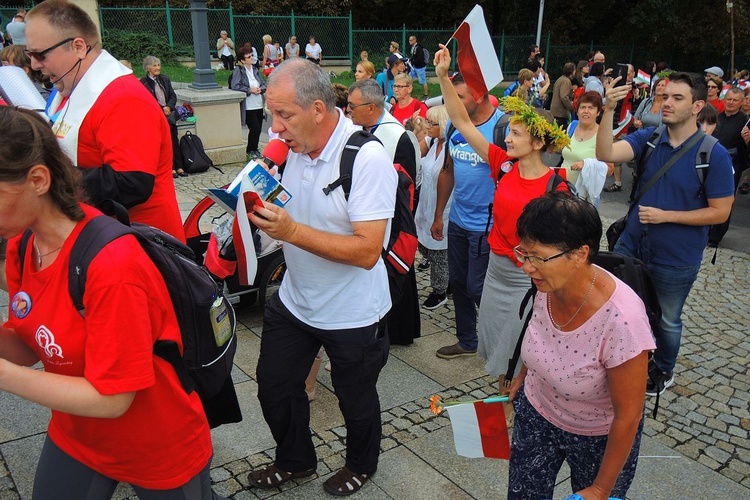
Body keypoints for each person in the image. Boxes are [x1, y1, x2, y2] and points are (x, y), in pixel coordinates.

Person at [0, 105, 223, 499]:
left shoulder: (112, 265)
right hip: (78, 435)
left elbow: (113, 399)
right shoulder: (24, 244)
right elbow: (27, 343)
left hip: (157, 445)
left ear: (37, 179)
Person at [245, 58, 396, 497]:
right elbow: (286, 205)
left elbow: (369, 251)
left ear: (317, 108)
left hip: (353, 312)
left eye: (284, 115)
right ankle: (295, 460)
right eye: (271, 114)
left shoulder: (365, 158)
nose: (274, 128)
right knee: (274, 388)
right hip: (296, 301)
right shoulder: (289, 150)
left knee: (356, 399)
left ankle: (361, 464)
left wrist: (291, 231)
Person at [434, 44, 571, 388]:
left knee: (522, 346)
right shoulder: (503, 165)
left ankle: (519, 400)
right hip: (496, 271)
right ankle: (505, 395)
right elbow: (462, 121)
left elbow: (567, 246)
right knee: (498, 342)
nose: (507, 137)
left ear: (538, 143)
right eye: (509, 131)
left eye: (517, 134)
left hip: (528, 278)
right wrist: (441, 77)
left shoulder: (555, 185)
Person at [507, 192, 655, 500]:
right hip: (537, 413)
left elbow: (629, 415)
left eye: (537, 257)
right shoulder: (547, 283)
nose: (526, 267)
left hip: (597, 437)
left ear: (579, 254)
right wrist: (524, 375)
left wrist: (601, 489)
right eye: (524, 253)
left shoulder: (623, 321)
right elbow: (539, 334)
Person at [597, 72, 734, 396]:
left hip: (676, 258)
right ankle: (620, 360)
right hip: (632, 245)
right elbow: (605, 154)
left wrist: (666, 216)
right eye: (665, 96)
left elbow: (721, 212)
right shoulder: (649, 138)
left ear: (698, 105)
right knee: (620, 308)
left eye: (677, 98)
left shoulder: (712, 154)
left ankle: (663, 370)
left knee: (668, 318)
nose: (667, 103)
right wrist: (607, 111)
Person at [25, 0, 184, 241]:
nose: (34, 64)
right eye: (30, 54)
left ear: (79, 47)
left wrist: (49, 181)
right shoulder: (68, 91)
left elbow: (131, 182)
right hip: (105, 238)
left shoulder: (123, 97)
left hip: (138, 245)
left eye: (40, 54)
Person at [431, 48, 504, 359]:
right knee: (458, 283)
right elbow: (448, 170)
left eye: (460, 98)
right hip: (459, 221)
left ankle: (498, 342)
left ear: (480, 95)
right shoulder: (454, 128)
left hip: (489, 226)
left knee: (479, 288)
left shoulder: (503, 129)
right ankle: (467, 341)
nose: (454, 104)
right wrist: (438, 215)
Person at [347, 78, 421, 346]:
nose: (348, 111)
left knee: (396, 270)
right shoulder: (363, 129)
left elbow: (407, 184)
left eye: (352, 106)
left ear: (370, 107)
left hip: (392, 217)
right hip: (369, 213)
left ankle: (399, 332)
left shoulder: (397, 135)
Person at [414, 105, 451, 309]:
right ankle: (448, 280)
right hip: (426, 203)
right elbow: (415, 151)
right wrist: (420, 129)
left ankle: (440, 290)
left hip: (443, 206)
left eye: (431, 122)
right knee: (424, 245)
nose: (427, 125)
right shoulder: (432, 141)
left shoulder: (450, 147)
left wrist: (438, 214)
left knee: (439, 252)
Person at [708, 87, 750, 246]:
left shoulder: (745, 121)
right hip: (711, 160)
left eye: (735, 100)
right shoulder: (717, 117)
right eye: (728, 99)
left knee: (724, 199)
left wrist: (748, 141)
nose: (731, 103)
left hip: (731, 164)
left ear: (741, 102)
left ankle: (716, 236)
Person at [140, 55, 186, 178]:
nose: (157, 68)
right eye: (154, 65)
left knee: (173, 140)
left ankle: (179, 166)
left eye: (158, 65)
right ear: (147, 68)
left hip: (169, 114)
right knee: (163, 143)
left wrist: (169, 107)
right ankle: (170, 168)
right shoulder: (143, 83)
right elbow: (147, 100)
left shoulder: (164, 79)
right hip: (156, 116)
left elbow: (172, 95)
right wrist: (161, 109)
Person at [230, 47, 266, 161]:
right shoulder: (239, 71)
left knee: (259, 128)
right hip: (248, 105)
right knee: (254, 128)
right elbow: (235, 86)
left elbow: (264, 83)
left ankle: (254, 148)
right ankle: (250, 149)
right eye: (249, 57)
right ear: (243, 60)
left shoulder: (255, 70)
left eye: (251, 55)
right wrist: (250, 90)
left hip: (258, 103)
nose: (252, 58)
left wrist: (261, 89)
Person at [562, 91, 604, 185]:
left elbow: (610, 169)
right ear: (577, 111)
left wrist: (587, 164)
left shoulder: (602, 134)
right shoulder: (572, 126)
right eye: (583, 107)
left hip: (585, 192)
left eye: (591, 108)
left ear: (598, 112)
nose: (586, 111)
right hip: (563, 188)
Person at [551, 62, 576, 128]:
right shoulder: (566, 81)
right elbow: (564, 96)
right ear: (572, 71)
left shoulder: (560, 79)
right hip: (560, 113)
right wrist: (571, 108)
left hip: (555, 112)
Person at [408, 35, 429, 99]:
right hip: (414, 67)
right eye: (409, 40)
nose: (409, 42)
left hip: (420, 67)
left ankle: (426, 94)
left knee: (422, 81)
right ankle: (409, 93)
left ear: (415, 40)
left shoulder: (419, 48)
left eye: (411, 40)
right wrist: (411, 61)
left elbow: (420, 58)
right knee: (410, 78)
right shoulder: (413, 47)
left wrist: (413, 62)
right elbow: (414, 56)